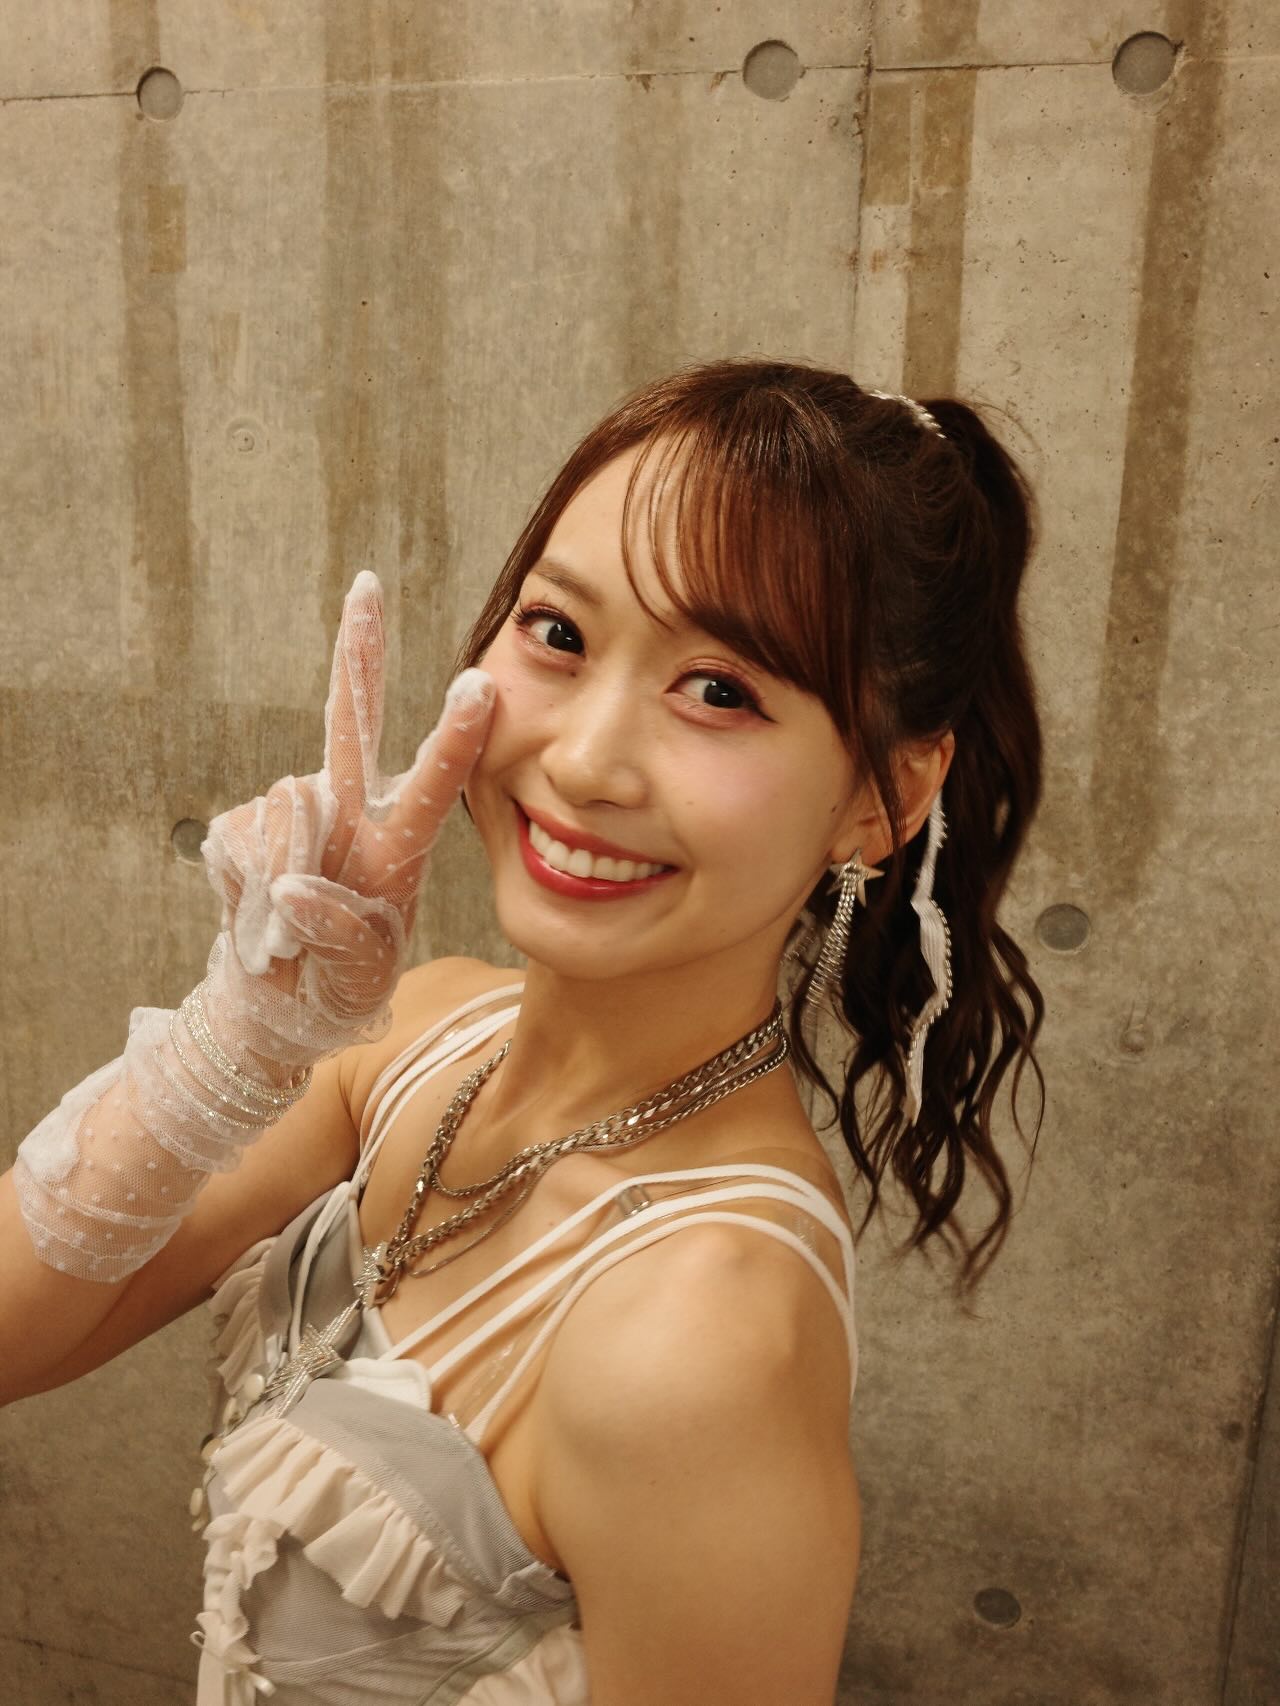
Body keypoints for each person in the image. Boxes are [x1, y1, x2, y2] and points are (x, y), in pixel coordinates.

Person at [0, 356, 1044, 1705]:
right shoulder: (415, 1034)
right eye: (558, 632)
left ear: (880, 798)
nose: (586, 760)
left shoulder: (698, 1337)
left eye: (721, 691)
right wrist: (230, 1046)